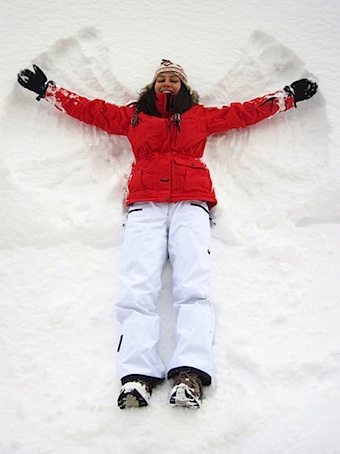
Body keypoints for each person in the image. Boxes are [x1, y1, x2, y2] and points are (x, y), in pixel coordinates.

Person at [17, 59, 318, 409]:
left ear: (184, 87)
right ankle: (137, 375)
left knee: (193, 287)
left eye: (174, 79)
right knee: (137, 288)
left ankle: (190, 373)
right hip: (145, 205)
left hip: (191, 204)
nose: (167, 83)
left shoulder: (200, 117)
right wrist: (48, 89)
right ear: (152, 85)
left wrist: (287, 97)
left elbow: (243, 113)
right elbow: (89, 110)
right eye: (161, 79)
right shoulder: (133, 117)